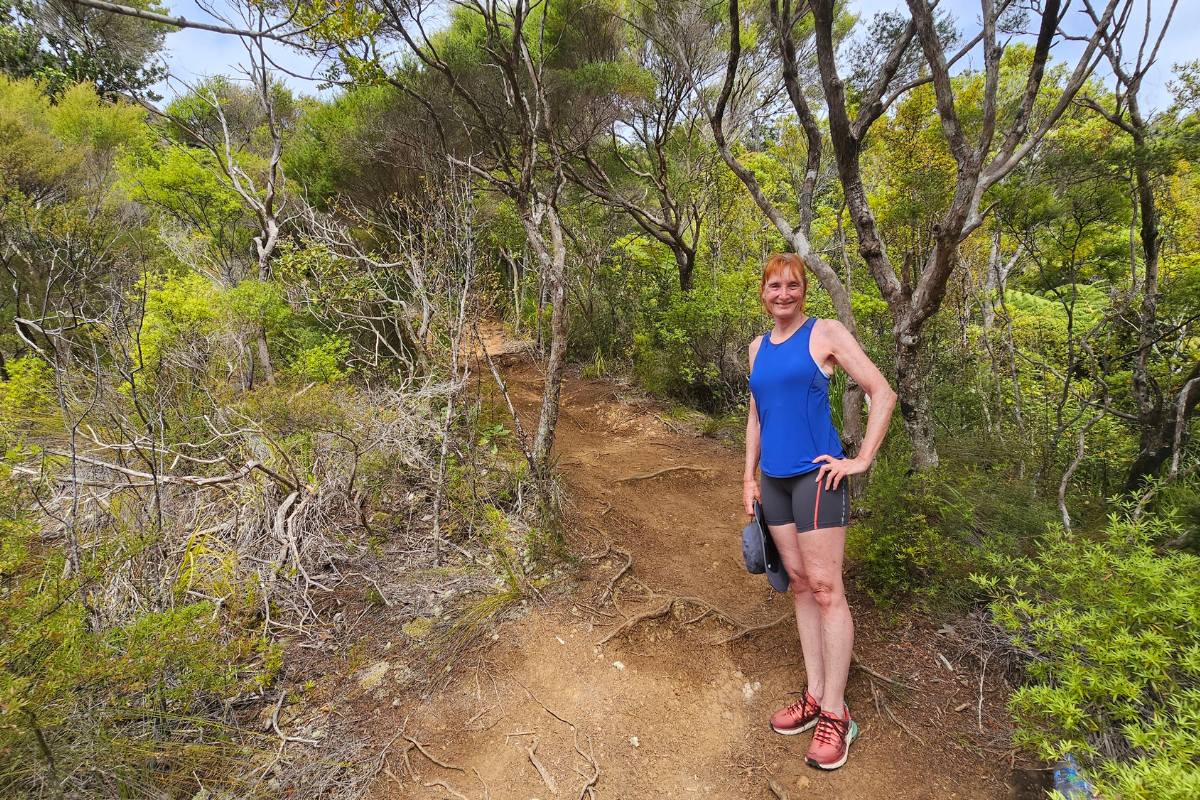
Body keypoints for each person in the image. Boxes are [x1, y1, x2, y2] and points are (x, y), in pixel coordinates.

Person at [744, 253, 897, 771]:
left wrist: (862, 459)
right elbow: (756, 417)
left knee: (828, 589)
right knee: (800, 585)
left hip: (817, 479)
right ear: (763, 293)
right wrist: (748, 477)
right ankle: (813, 695)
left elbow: (882, 392)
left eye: (792, 285)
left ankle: (836, 712)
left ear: (803, 291)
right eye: (774, 286)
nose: (783, 294)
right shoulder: (757, 347)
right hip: (774, 482)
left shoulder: (825, 333)